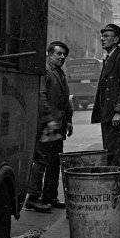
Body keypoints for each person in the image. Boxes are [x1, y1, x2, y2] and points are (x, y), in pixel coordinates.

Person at [25, 41, 73, 212]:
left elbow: (65, 100)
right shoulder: (45, 72)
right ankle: (33, 197)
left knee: (54, 162)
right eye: (58, 54)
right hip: (46, 125)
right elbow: (41, 96)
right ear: (49, 54)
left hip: (57, 125)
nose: (62, 57)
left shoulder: (59, 73)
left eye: (64, 55)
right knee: (41, 160)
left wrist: (69, 120)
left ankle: (50, 196)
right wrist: (48, 119)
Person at [91, 23, 120, 167]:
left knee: (115, 152)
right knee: (110, 151)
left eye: (106, 36)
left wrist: (119, 112)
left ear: (116, 39)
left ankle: (119, 185)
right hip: (108, 114)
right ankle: (116, 184)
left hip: (116, 116)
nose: (102, 39)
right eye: (102, 36)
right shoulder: (109, 58)